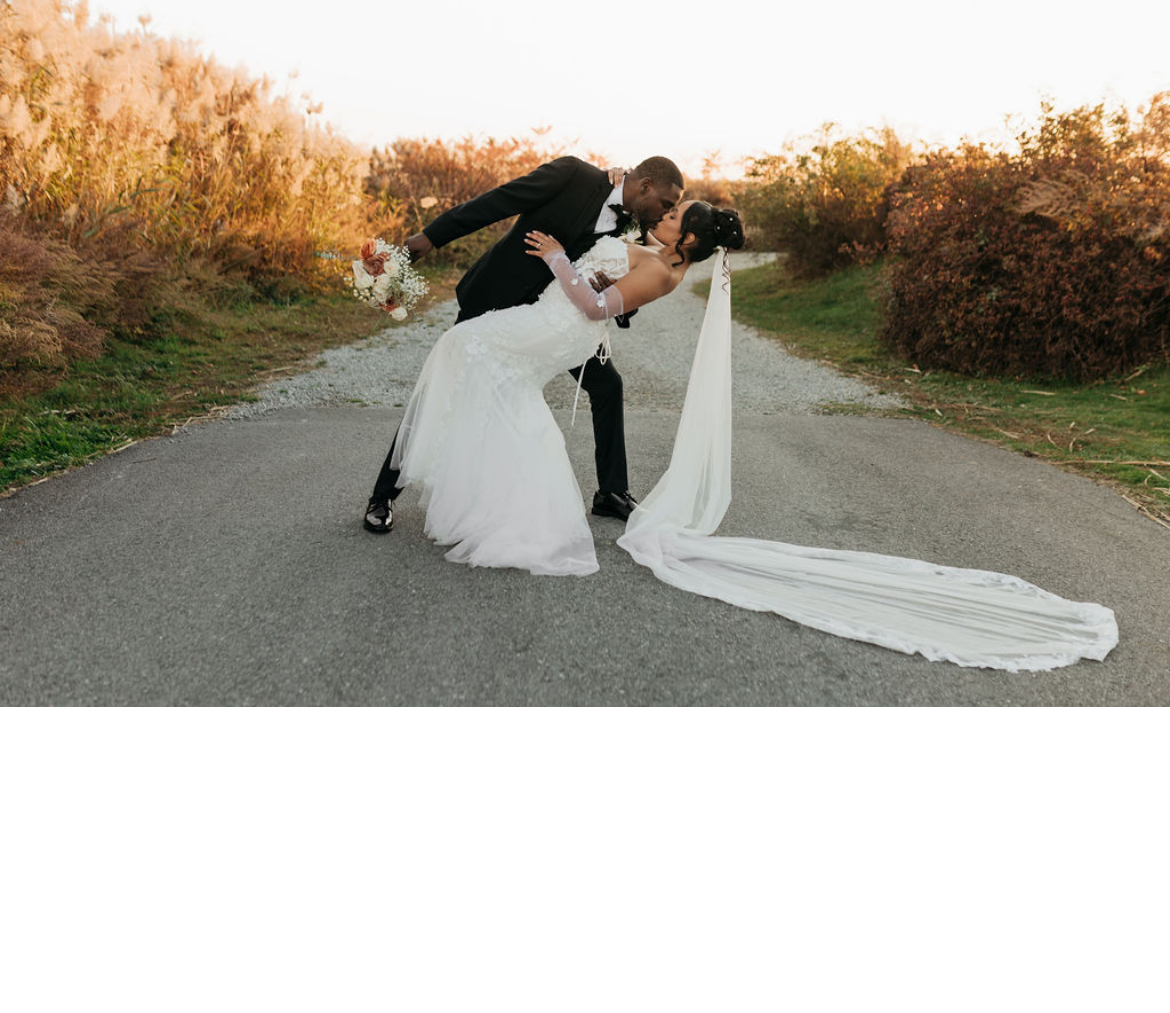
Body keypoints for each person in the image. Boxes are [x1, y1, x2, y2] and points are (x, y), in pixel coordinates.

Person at [368, 198, 1120, 674]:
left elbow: (598, 311)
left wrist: (562, 261)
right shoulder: (658, 257)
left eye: (676, 214)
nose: (667, 216)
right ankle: (492, 504)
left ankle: (515, 517)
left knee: (464, 355)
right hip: (551, 326)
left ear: (686, 237)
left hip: (560, 329)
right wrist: (585, 262)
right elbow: (604, 286)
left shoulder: (665, 274)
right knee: (485, 379)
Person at [362, 152, 683, 533]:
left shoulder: (632, 222)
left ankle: (611, 492)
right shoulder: (573, 175)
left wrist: (614, 296)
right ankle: (383, 496)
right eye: (665, 204)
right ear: (644, 186)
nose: (664, 215)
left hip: (558, 320)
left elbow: (625, 286)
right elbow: (497, 202)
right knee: (446, 385)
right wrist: (432, 236)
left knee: (607, 385)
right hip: (496, 300)